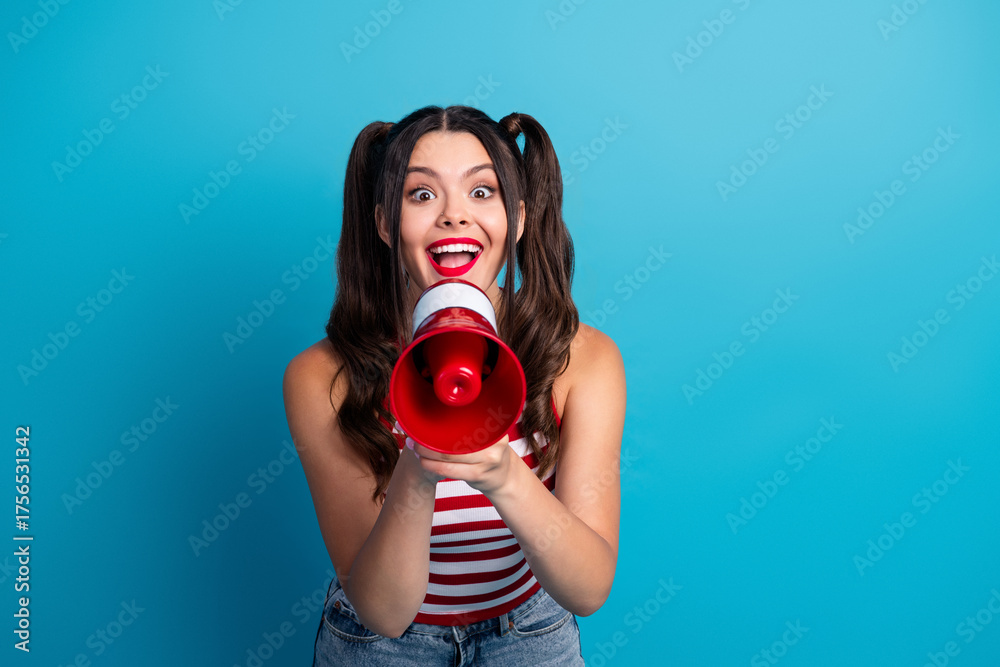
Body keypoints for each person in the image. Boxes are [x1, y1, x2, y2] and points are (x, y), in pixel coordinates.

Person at [282, 104, 626, 666]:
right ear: (385, 224)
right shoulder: (321, 378)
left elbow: (587, 589)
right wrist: (419, 468)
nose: (454, 217)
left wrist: (503, 475)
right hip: (382, 647)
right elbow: (384, 612)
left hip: (529, 633)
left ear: (517, 218)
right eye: (422, 194)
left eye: (481, 192)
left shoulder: (582, 359)